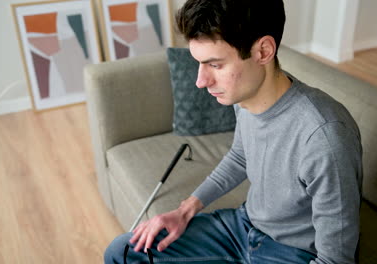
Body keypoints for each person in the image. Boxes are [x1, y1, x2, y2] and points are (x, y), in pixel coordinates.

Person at [104, 0, 363, 263]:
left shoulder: (325, 137)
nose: (201, 81)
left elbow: (335, 259)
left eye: (215, 65)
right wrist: (185, 210)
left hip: (293, 253)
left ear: (263, 51)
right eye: (200, 64)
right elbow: (241, 156)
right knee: (123, 252)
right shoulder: (244, 99)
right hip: (241, 227)